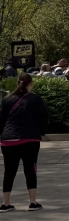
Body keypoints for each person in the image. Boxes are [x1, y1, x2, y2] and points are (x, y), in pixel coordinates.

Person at [0, 72, 48, 212]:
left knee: (9, 171)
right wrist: (41, 132)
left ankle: (5, 203)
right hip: (30, 139)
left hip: (9, 139)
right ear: (30, 84)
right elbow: (44, 117)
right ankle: (33, 202)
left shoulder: (7, 99)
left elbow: (1, 119)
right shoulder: (36, 99)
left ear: (18, 83)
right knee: (30, 170)